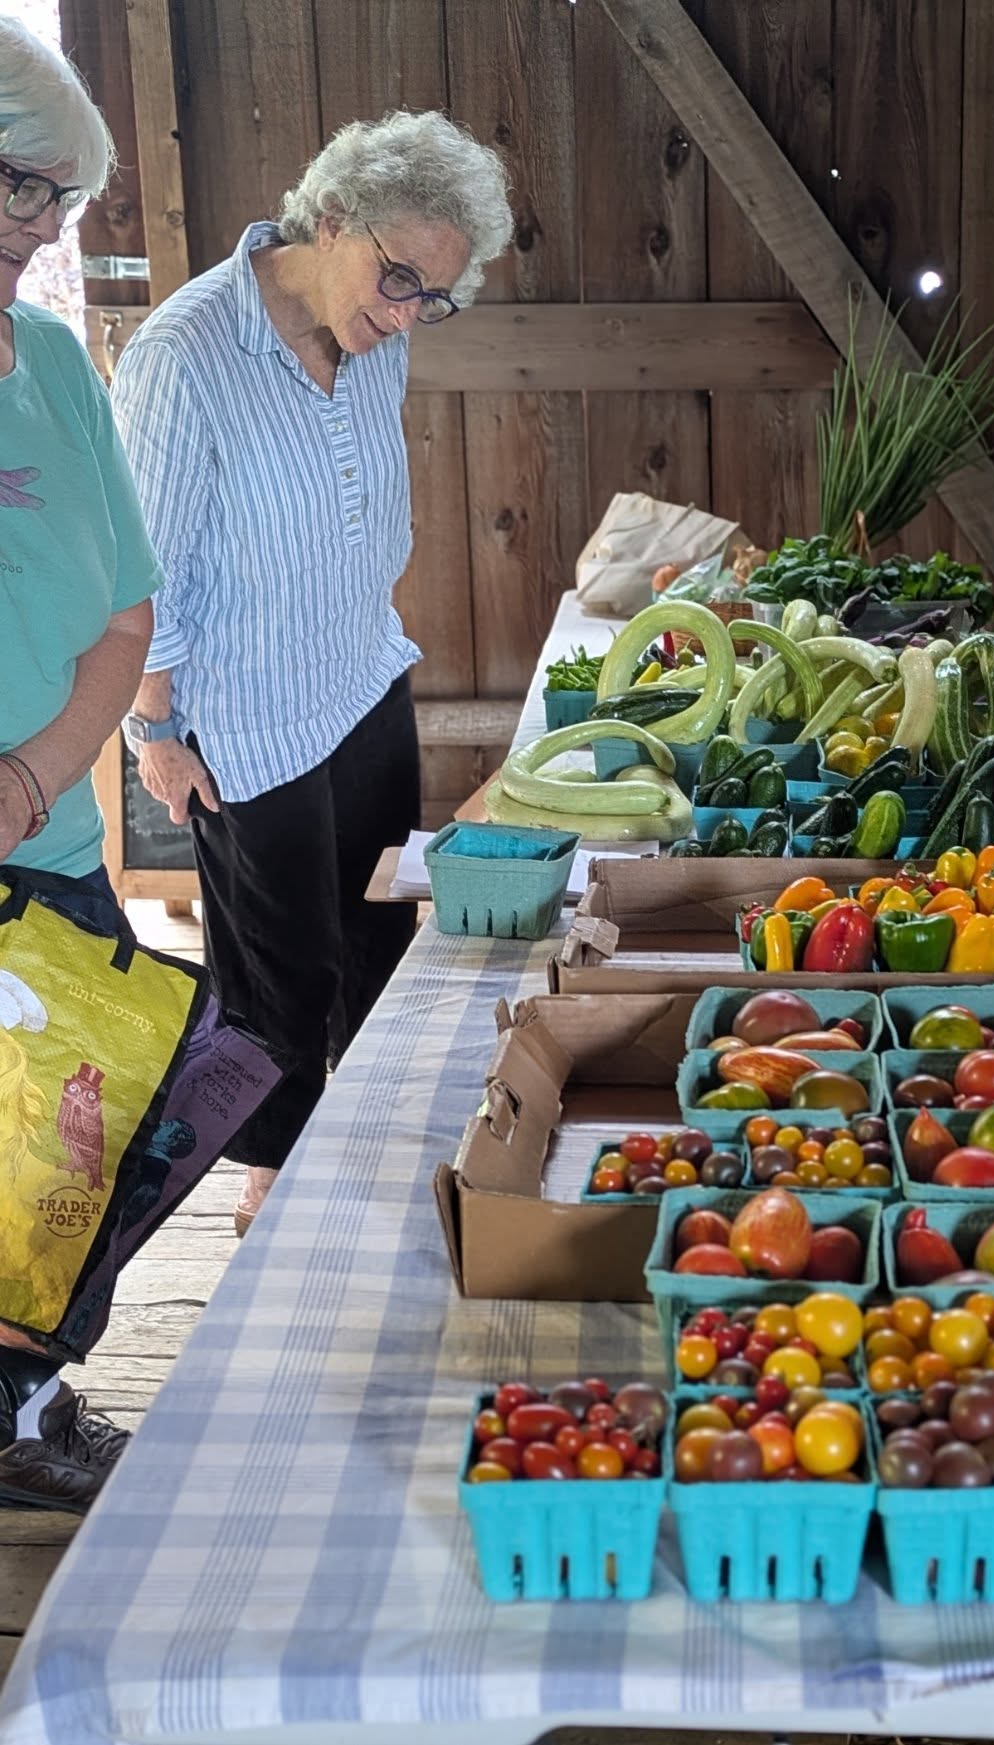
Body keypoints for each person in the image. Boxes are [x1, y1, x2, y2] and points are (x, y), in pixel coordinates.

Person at [112, 113, 512, 1236]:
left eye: (433, 298)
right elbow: (143, 568)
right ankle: (272, 1187)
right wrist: (155, 730)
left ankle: (379, 1155)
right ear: (329, 219)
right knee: (279, 980)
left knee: (382, 933)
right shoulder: (185, 356)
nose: (405, 317)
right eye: (396, 282)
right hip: (245, 717)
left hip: (361, 676)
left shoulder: (378, 334)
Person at [0, 16, 162, 1508]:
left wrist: (35, 776)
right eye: (15, 186)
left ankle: (26, 1400)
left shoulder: (50, 352)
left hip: (40, 849)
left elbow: (125, 611)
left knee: (85, 1155)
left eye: (54, 197)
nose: (37, 230)